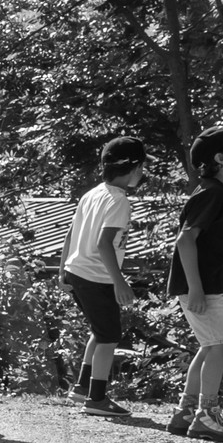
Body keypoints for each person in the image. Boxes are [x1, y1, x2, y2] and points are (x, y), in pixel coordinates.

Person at [166, 124, 223, 441]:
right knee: (221, 346)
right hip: (199, 287)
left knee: (210, 346)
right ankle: (206, 415)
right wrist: (196, 288)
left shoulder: (218, 193)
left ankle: (186, 412)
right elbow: (185, 241)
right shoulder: (213, 193)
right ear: (220, 157)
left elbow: (203, 241)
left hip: (204, 283)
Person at [60, 135, 145, 417]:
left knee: (100, 331)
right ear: (134, 169)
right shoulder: (119, 201)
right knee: (109, 336)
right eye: (141, 168)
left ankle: (83, 387)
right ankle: (97, 399)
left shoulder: (93, 193)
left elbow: (71, 234)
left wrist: (63, 271)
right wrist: (120, 281)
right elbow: (104, 243)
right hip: (97, 277)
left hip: (77, 272)